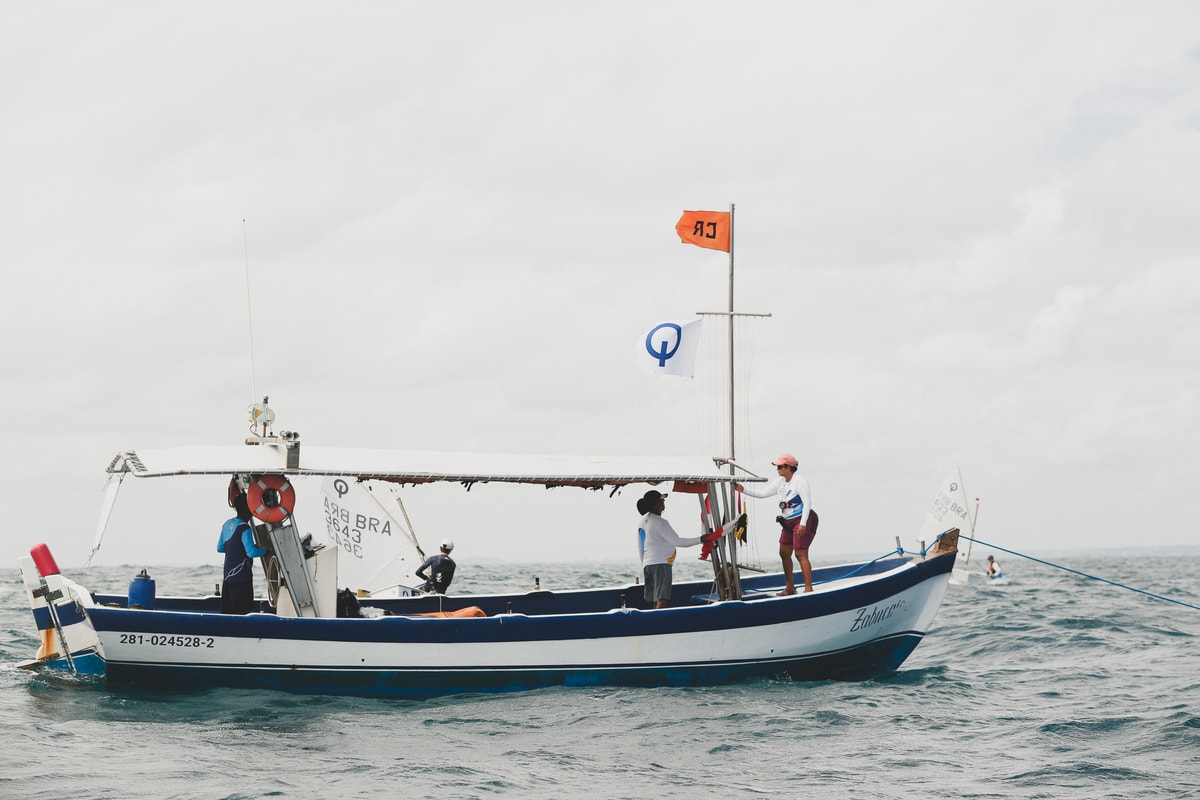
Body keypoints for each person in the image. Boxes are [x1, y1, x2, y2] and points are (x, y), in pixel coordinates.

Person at [737, 453, 819, 595]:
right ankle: (790, 587)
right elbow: (762, 494)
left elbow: (807, 503)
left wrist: (803, 524)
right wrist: (743, 490)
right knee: (784, 553)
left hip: (801, 519)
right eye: (777, 467)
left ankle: (808, 589)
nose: (778, 469)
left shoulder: (800, 481)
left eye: (780, 467)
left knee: (800, 554)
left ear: (789, 468)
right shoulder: (779, 482)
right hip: (787, 522)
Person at [636, 490, 703, 609]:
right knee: (663, 599)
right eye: (661, 500)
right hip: (661, 564)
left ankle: (655, 619)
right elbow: (678, 541)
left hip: (648, 565)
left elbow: (640, 545)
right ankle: (658, 621)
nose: (663, 503)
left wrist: (644, 564)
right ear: (656, 504)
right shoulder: (660, 522)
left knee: (656, 600)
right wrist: (701, 539)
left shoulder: (642, 521)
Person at [217, 490, 267, 614]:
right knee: (243, 614)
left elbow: (220, 548)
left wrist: (235, 548)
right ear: (247, 508)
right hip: (242, 579)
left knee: (228, 614)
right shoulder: (245, 528)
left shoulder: (227, 524)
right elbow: (251, 553)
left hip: (227, 578)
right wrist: (265, 550)